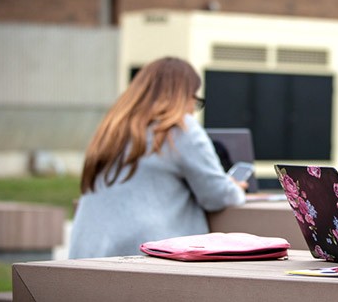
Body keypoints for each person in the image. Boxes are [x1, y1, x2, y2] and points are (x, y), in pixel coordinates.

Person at [69, 57, 247, 259]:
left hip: (87, 253)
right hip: (142, 255)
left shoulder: (112, 128)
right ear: (183, 96)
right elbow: (216, 195)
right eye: (194, 101)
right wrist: (235, 187)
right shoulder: (179, 129)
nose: (191, 109)